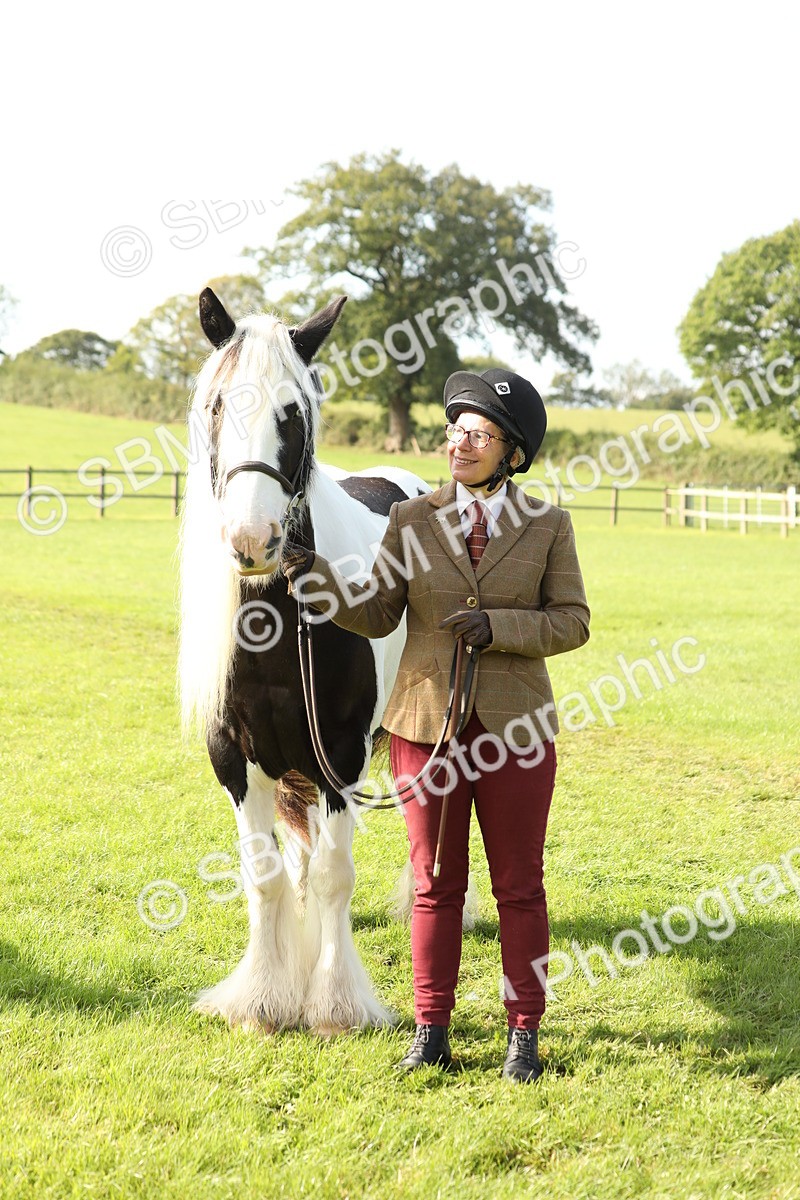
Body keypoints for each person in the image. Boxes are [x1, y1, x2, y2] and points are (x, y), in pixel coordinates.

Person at [283, 368, 590, 1082]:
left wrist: (499, 627)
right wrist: (318, 576)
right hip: (424, 730)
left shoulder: (548, 526)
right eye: (455, 431)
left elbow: (573, 621)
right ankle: (432, 1030)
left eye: (478, 435)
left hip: (516, 734)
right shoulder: (411, 520)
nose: (460, 444)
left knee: (519, 886)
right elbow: (376, 612)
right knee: (434, 883)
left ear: (513, 452)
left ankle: (524, 1034)